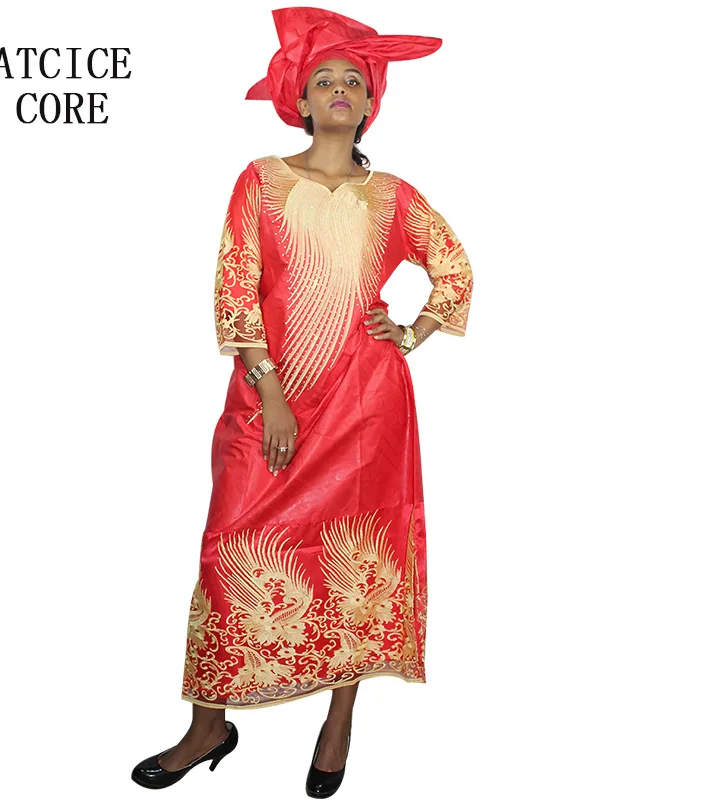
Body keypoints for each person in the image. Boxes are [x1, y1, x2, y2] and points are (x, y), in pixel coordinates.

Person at [132, 7, 474, 797]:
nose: (340, 89)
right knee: (230, 547)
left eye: (355, 79)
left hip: (366, 407)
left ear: (372, 101)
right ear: (301, 100)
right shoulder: (261, 181)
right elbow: (236, 288)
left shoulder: (393, 196)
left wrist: (411, 332)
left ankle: (339, 720)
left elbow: (454, 267)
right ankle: (210, 726)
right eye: (324, 80)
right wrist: (271, 391)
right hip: (270, 400)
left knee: (351, 555)